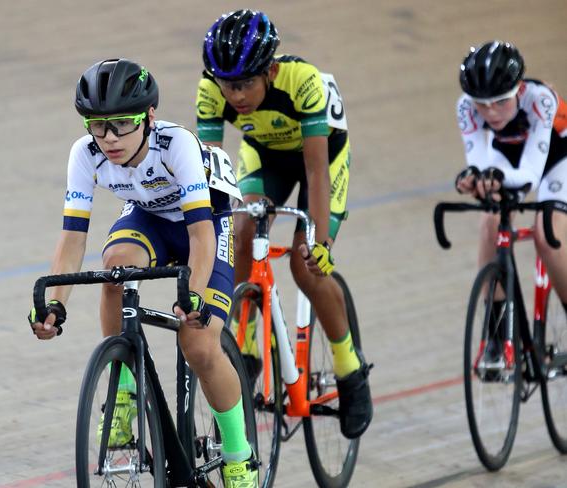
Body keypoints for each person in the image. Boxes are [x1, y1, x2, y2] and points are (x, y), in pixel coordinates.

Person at [28, 58, 258, 486]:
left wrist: (194, 294)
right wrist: (55, 306)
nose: (109, 138)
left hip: (205, 221)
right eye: (97, 125)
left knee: (199, 345)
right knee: (114, 268)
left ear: (149, 116)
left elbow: (202, 237)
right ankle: (125, 392)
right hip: (149, 216)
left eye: (121, 124)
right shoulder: (85, 153)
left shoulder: (177, 146)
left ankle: (238, 454)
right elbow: (73, 237)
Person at [196, 9, 372, 439]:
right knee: (238, 233)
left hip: (321, 158)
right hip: (265, 156)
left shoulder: (304, 83)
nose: (234, 95)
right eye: (226, 84)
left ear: (270, 71)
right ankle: (249, 346)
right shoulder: (210, 89)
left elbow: (315, 172)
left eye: (244, 84)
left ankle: (350, 370)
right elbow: (207, 173)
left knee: (303, 262)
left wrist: (321, 242)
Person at [455, 40, 567, 360]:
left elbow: (531, 174)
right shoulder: (465, 107)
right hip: (511, 156)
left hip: (558, 157)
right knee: (490, 223)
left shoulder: (541, 100)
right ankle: (498, 332)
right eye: (481, 103)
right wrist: (473, 179)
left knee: (548, 236)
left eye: (499, 102)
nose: (489, 112)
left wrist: (494, 178)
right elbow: (477, 159)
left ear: (518, 90)